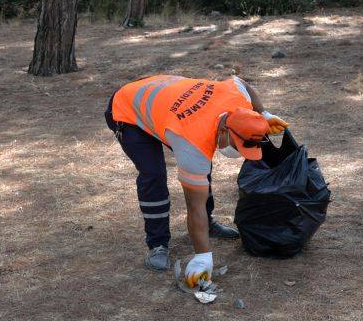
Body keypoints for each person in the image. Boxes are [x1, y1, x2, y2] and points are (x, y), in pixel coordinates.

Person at [104, 74, 288, 287]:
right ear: (225, 129)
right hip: (127, 108)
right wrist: (203, 256)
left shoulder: (237, 98)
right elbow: (194, 205)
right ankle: (157, 244)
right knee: (153, 174)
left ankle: (207, 225)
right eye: (238, 145)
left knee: (201, 163)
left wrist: (262, 113)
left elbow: (241, 82)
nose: (239, 152)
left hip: (165, 98)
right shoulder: (192, 141)